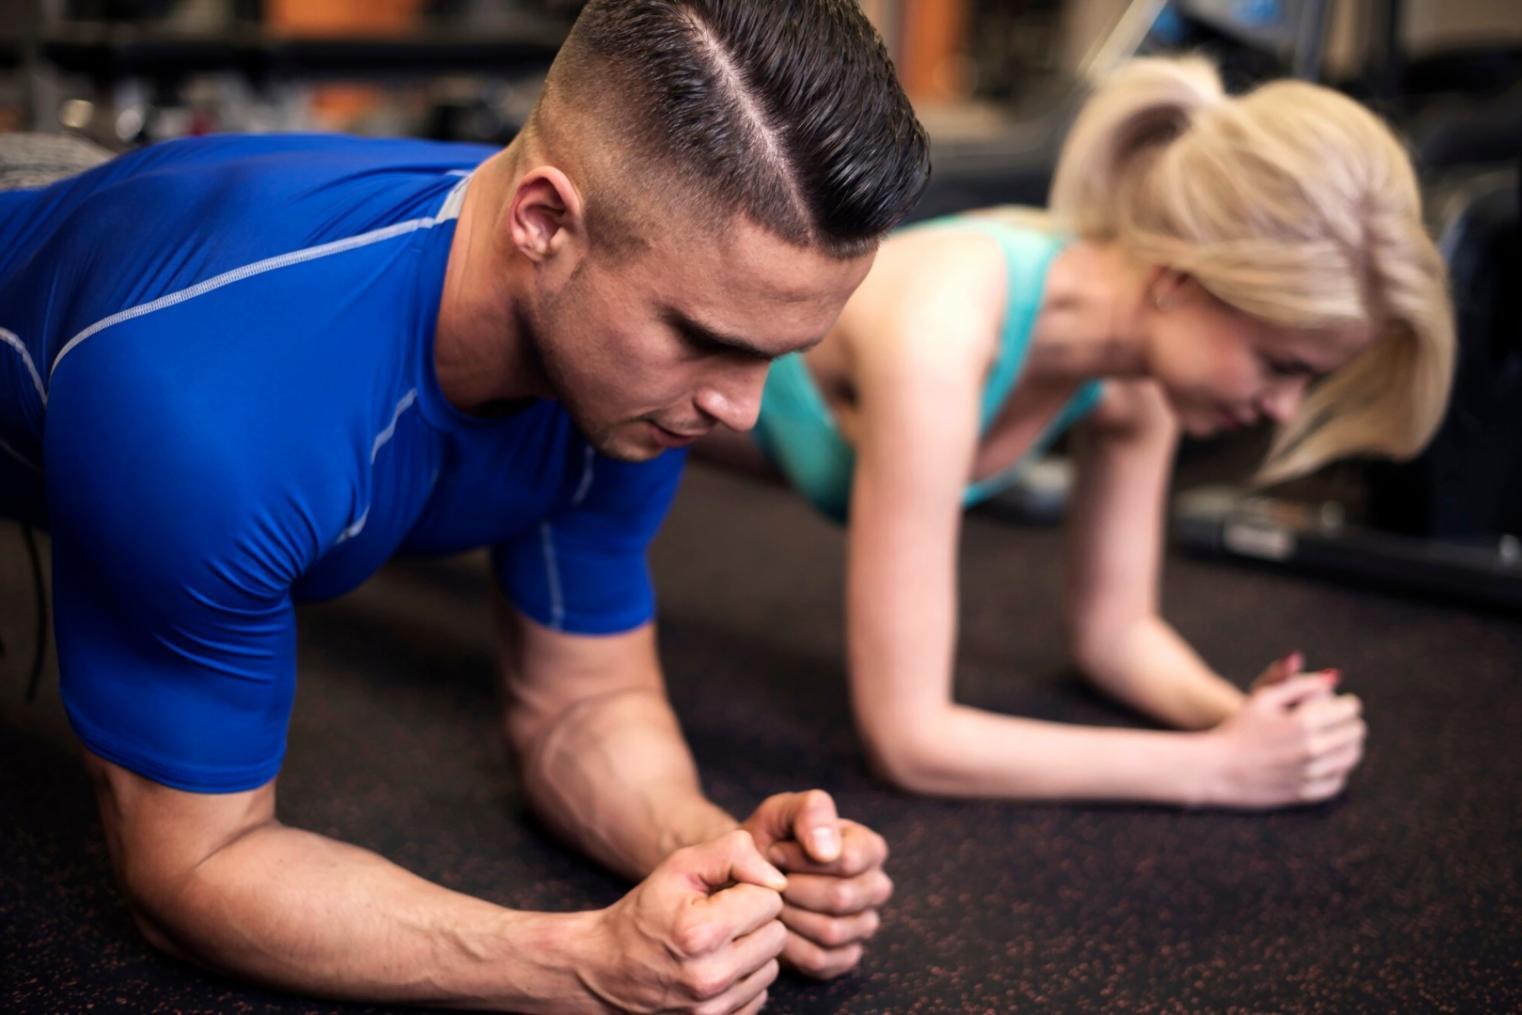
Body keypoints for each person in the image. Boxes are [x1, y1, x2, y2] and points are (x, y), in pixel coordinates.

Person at [0, 1, 929, 1010]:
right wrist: (580, 963)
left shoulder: (634, 353)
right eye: (706, 337)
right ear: (542, 221)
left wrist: (723, 854)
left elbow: (587, 703)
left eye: (770, 353)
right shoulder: (207, 407)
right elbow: (189, 870)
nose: (740, 410)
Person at [702, 56, 1454, 809]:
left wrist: (1247, 721)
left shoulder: (1137, 380)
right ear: (1181, 280)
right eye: (1277, 364)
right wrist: (1216, 768)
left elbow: (1116, 633)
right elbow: (910, 738)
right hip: (612, 414)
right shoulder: (943, 332)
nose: (1284, 408)